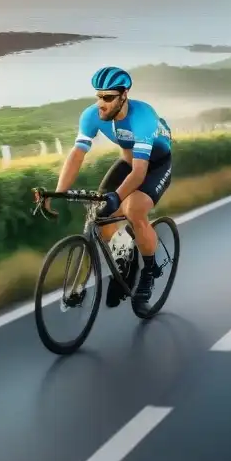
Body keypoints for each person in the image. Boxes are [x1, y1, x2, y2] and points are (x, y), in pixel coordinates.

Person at [41, 66, 173, 308]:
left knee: (132, 209)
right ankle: (127, 261)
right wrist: (58, 192)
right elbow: (77, 155)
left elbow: (140, 172)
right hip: (128, 162)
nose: (101, 103)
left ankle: (149, 271)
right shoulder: (91, 116)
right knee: (102, 216)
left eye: (108, 97)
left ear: (124, 96)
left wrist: (118, 197)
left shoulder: (143, 116)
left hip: (154, 165)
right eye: (98, 96)